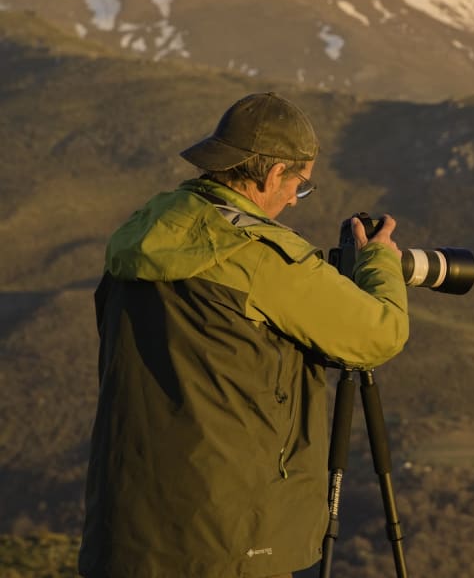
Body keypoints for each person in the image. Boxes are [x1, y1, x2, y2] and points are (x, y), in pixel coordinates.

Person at [79, 92, 410, 578]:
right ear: (275, 174)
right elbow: (381, 333)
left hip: (125, 533)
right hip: (228, 542)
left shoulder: (142, 233)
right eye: (301, 186)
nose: (294, 201)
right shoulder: (261, 259)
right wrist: (380, 261)